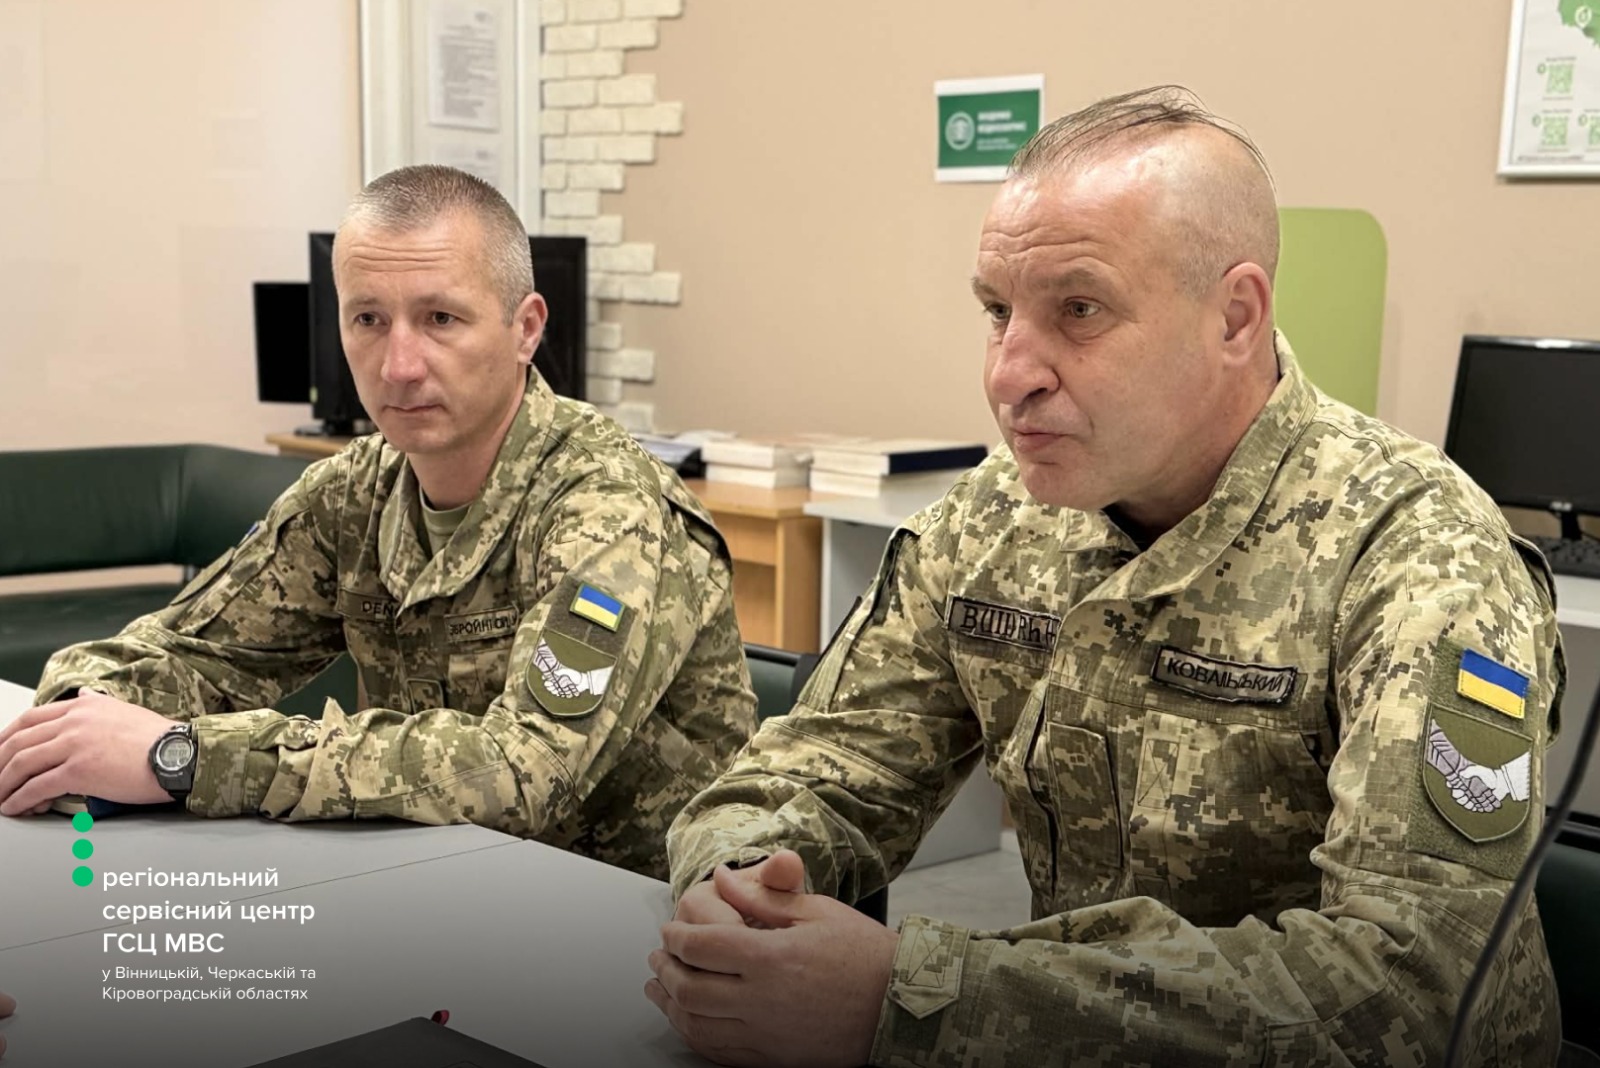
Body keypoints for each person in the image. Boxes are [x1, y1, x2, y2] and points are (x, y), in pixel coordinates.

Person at [647, 87, 1564, 1066]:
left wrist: (912, 999)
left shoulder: (1420, 557)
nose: (1010, 374)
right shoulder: (996, 520)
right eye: (997, 311)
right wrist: (741, 891)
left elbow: (1411, 993)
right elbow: (811, 771)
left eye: (1078, 311)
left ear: (1235, 318)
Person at [0, 164, 756, 880]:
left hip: (629, 923)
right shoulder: (356, 492)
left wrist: (184, 757)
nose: (398, 365)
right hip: (432, 885)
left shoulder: (607, 505)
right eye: (368, 318)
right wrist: (75, 725)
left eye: (440, 318)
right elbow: (185, 652)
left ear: (525, 328)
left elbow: (523, 770)